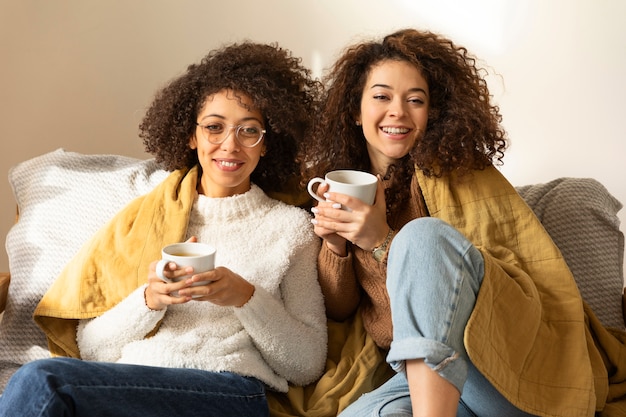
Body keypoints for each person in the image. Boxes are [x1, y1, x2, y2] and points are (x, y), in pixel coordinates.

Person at [0, 41, 327, 417]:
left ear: (267, 143)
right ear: (192, 136)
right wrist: (151, 299)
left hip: (228, 390)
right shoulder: (152, 217)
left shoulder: (291, 228)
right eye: (214, 127)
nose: (229, 145)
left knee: (41, 381)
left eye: (249, 130)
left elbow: (306, 364)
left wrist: (245, 297)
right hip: (132, 382)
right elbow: (92, 348)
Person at [302, 28, 607, 416]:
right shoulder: (339, 184)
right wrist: (337, 246)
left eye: (416, 100)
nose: (398, 111)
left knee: (422, 236)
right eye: (381, 96)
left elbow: (506, 288)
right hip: (418, 378)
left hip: (499, 365)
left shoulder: (463, 175)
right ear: (354, 110)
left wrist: (381, 240)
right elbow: (341, 310)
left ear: (432, 113)